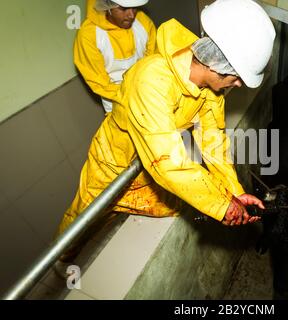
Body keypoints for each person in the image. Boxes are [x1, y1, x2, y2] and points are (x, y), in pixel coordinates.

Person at [56, 0, 276, 264]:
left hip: (146, 169)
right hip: (114, 165)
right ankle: (63, 257)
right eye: (237, 75)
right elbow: (169, 161)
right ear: (217, 64)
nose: (239, 83)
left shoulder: (210, 89)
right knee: (82, 221)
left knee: (172, 207)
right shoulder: (152, 80)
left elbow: (213, 140)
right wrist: (219, 205)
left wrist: (233, 190)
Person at [75, 0, 157, 113]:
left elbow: (153, 59)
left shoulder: (143, 21)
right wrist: (131, 95)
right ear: (108, 6)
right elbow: (98, 81)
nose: (131, 15)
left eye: (134, 8)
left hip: (150, 91)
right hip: (118, 104)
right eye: (123, 9)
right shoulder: (89, 35)